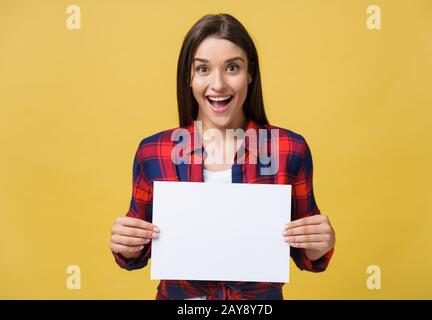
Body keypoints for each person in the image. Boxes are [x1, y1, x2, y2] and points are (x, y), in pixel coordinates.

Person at [109, 13, 335, 300]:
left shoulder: (289, 149)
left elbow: (308, 255)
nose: (218, 84)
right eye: (203, 69)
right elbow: (137, 252)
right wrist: (127, 245)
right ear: (188, 78)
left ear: (250, 73)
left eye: (232, 68)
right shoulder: (153, 152)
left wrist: (321, 243)